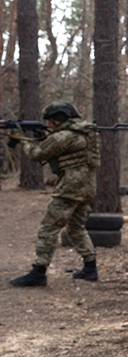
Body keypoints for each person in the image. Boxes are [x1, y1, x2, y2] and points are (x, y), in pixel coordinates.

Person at [9, 101, 101, 286]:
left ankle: (38, 273)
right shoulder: (88, 133)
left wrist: (20, 140)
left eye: (50, 122)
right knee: (76, 230)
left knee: (48, 229)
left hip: (69, 189)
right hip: (87, 187)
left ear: (57, 121)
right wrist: (43, 137)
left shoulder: (64, 136)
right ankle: (90, 269)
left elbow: (37, 154)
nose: (49, 125)